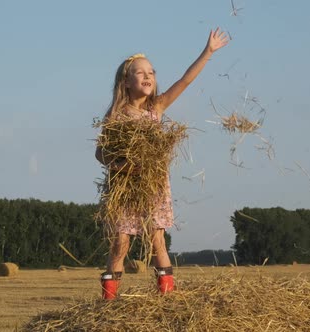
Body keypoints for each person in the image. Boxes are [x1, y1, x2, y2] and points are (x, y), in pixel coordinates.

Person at [95, 28, 229, 300]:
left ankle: (166, 299)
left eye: (151, 72)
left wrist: (208, 52)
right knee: (120, 242)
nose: (148, 75)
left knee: (157, 240)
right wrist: (119, 165)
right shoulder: (117, 115)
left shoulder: (155, 108)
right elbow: (100, 153)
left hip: (154, 186)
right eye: (140, 72)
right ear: (126, 81)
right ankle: (109, 304)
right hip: (124, 188)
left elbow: (185, 81)